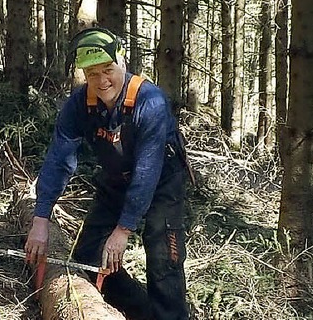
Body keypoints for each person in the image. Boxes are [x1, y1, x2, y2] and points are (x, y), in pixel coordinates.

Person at [24, 28, 189, 320]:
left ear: (122, 63)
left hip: (162, 182)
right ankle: (144, 313)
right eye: (91, 74)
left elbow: (147, 170)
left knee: (164, 264)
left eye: (107, 70)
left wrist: (123, 229)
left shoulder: (150, 102)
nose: (101, 82)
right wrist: (40, 219)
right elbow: (59, 159)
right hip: (117, 180)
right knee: (89, 257)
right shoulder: (79, 105)